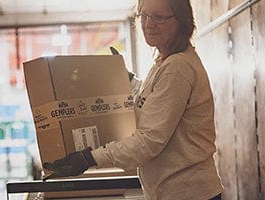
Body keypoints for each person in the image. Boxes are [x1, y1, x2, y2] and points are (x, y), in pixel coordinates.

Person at [43, 0, 224, 199]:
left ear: (182, 21)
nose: (148, 24)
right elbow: (153, 102)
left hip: (189, 193)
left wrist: (89, 158)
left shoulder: (177, 67)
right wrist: (128, 81)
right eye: (143, 15)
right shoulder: (164, 61)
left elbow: (148, 141)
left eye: (158, 17)